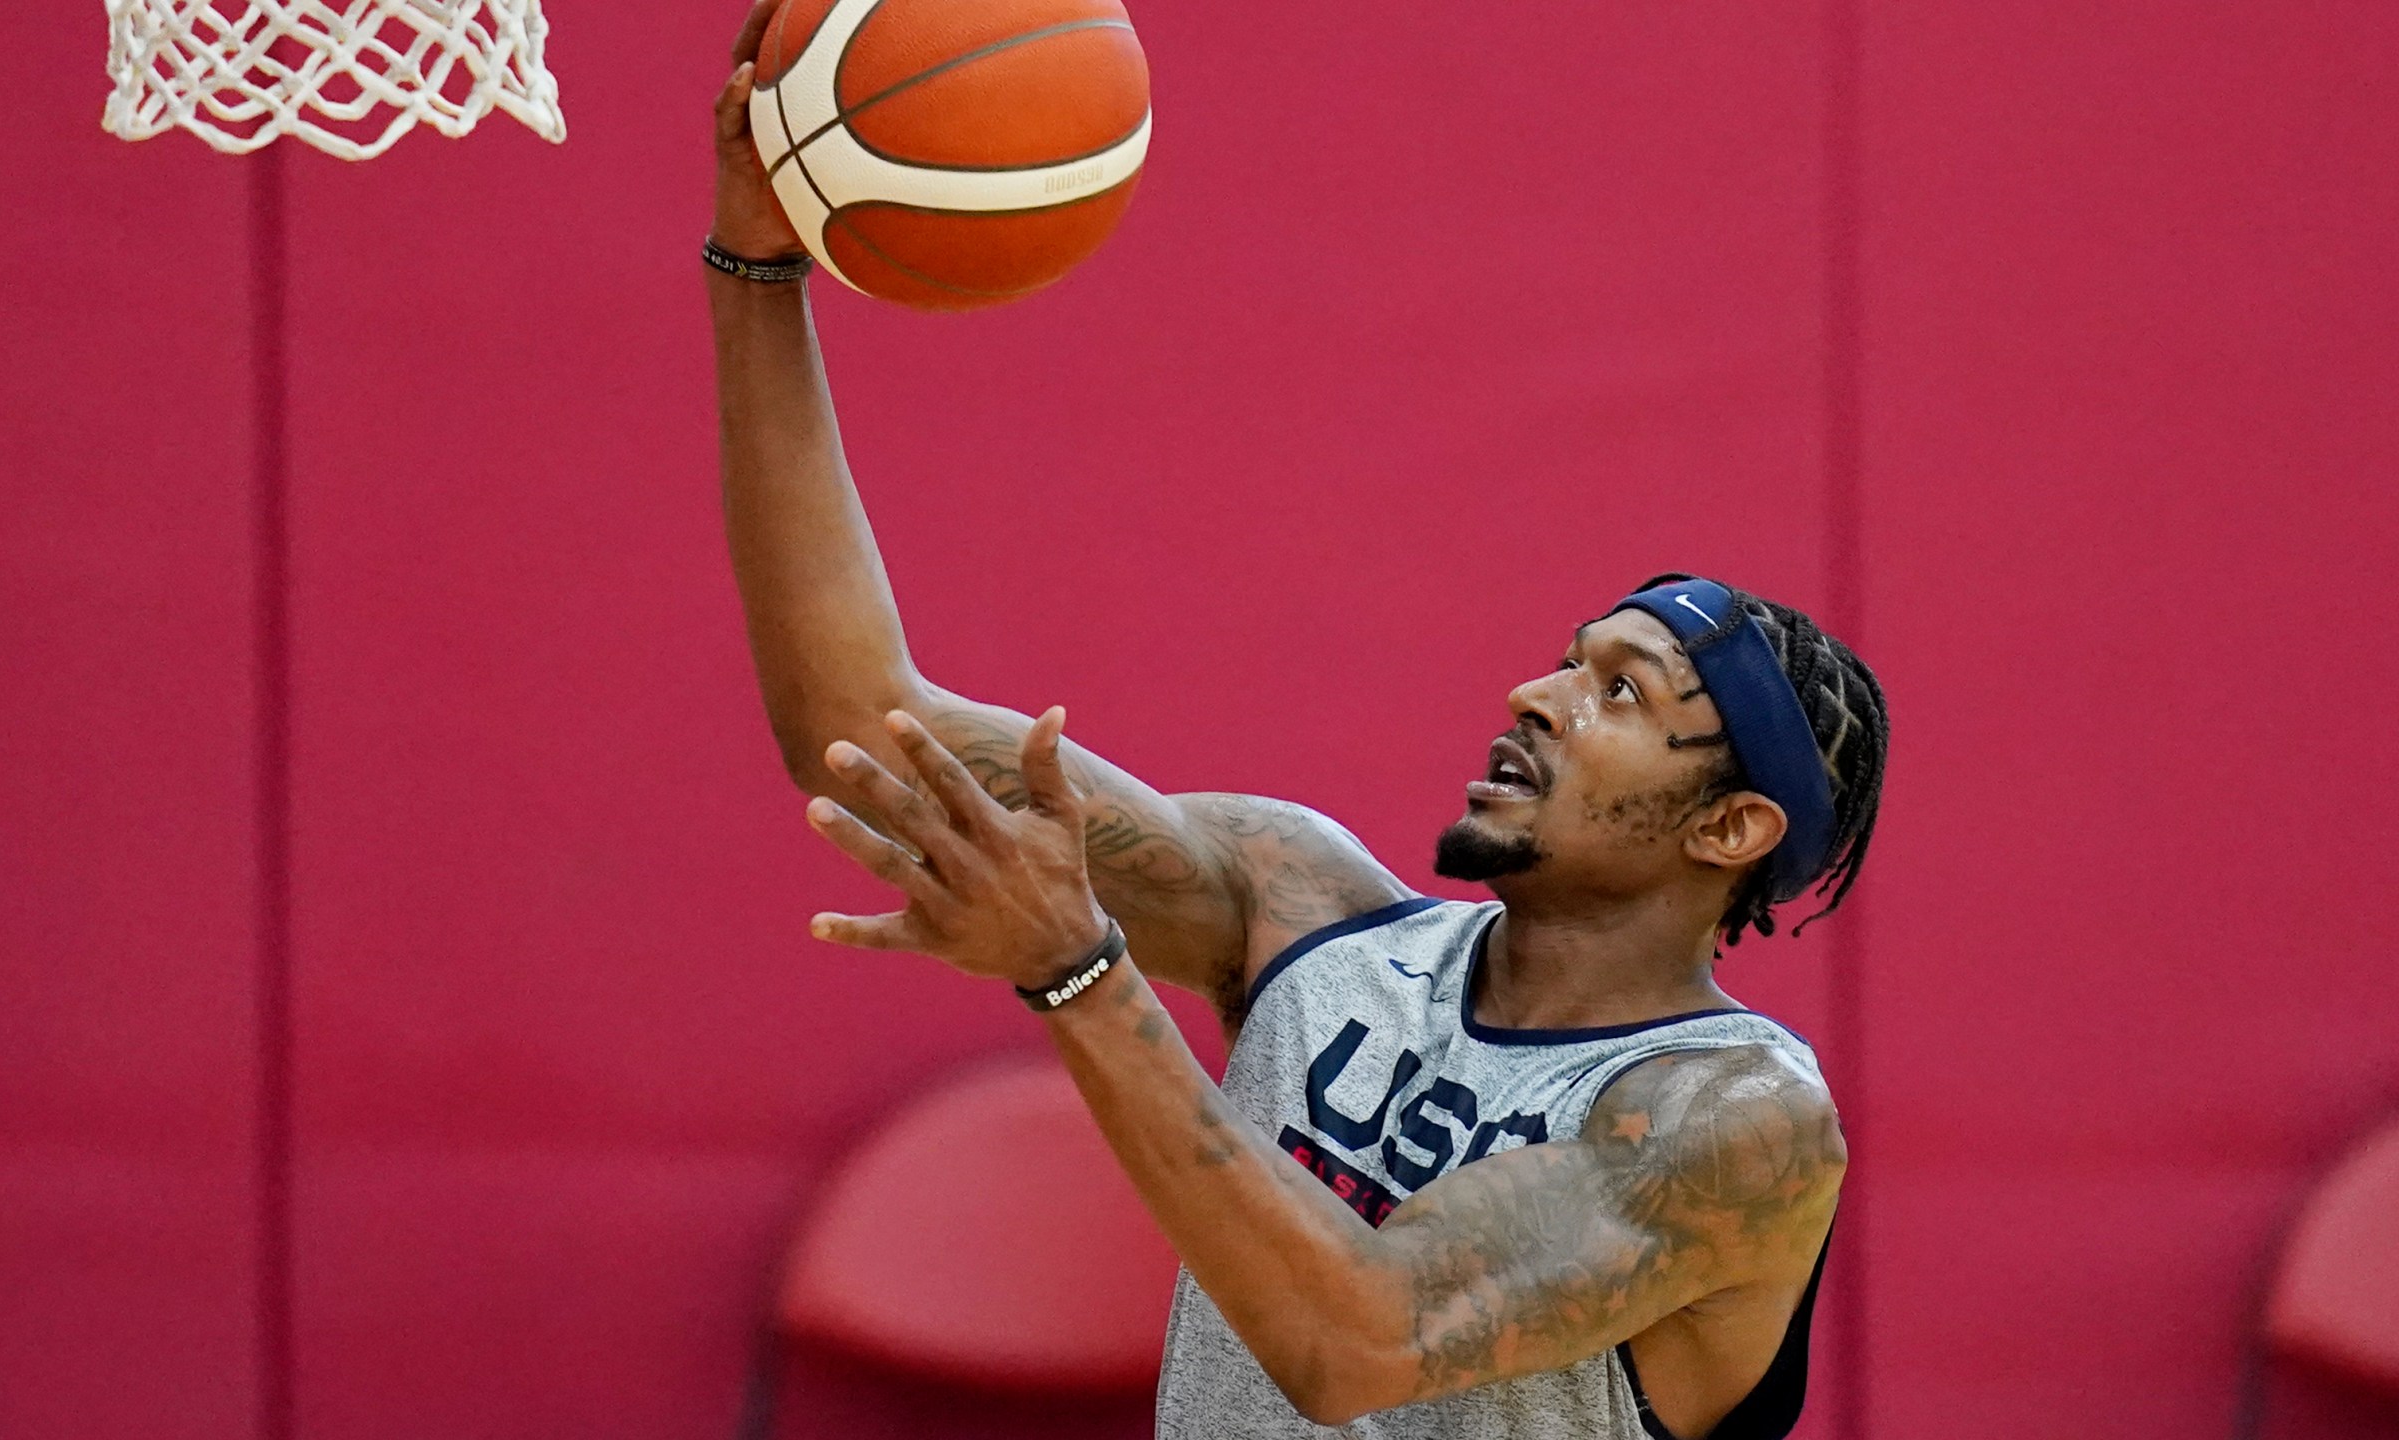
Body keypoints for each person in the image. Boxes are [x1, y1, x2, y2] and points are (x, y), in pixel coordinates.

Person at [703, 6, 1888, 1435]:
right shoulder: (1302, 909)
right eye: (1569, 661)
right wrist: (757, 268)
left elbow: (1359, 1342)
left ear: (1733, 823)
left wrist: (1080, 970)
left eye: (1619, 692)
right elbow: (862, 721)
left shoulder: (1736, 1125)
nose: (1537, 696)